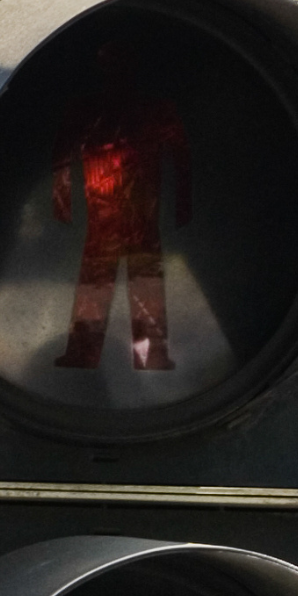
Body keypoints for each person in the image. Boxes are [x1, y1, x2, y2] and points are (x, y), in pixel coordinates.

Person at [51, 42, 192, 374]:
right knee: (108, 280)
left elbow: (181, 157)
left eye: (122, 62)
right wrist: (62, 199)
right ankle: (92, 354)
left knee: (139, 281)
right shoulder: (87, 108)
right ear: (103, 66)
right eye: (111, 62)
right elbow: (61, 157)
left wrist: (183, 202)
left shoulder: (155, 108)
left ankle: (148, 355)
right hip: (106, 212)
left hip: (139, 211)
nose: (117, 69)